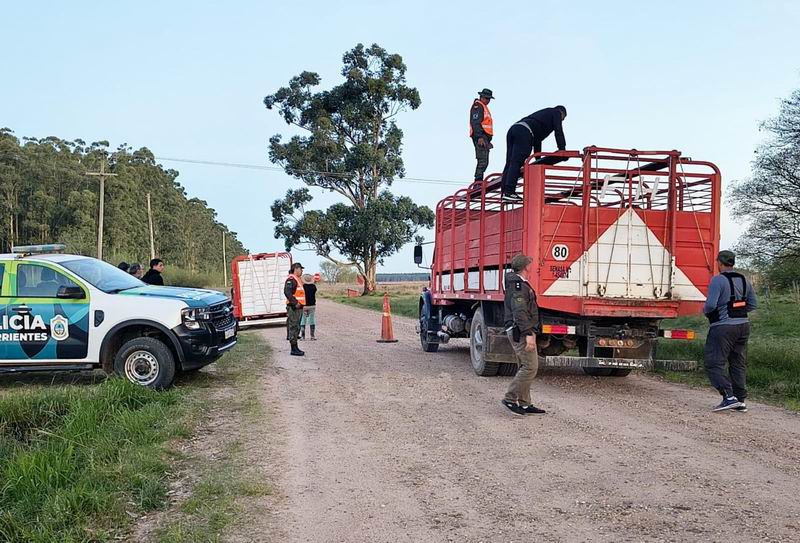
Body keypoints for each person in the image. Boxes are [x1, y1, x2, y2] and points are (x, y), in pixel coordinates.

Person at [703, 250, 758, 412]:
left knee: (713, 363)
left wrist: (705, 311)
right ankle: (740, 400)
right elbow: (753, 304)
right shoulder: (744, 280)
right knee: (738, 363)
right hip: (743, 326)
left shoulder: (717, 280)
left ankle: (728, 396)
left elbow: (711, 305)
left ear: (719, 263)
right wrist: (739, 310)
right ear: (732, 262)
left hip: (723, 327)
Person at [500, 254, 546, 416]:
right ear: (525, 267)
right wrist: (528, 333)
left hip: (520, 330)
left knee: (525, 366)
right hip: (519, 331)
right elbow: (519, 312)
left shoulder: (519, 284)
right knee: (530, 366)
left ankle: (525, 403)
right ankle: (510, 399)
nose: (532, 265)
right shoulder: (518, 286)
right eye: (530, 263)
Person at [500, 105, 567, 199]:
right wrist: (562, 150)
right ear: (562, 114)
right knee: (517, 161)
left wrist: (537, 159)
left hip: (514, 129)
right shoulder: (556, 113)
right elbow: (558, 131)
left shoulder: (542, 116)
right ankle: (509, 192)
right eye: (563, 119)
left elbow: (537, 140)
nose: (561, 121)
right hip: (524, 132)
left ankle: (504, 192)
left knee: (510, 162)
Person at [470, 88, 495, 182]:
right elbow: (475, 122)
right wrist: (479, 137)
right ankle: (478, 181)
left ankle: (479, 179)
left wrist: (488, 140)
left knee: (484, 160)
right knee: (482, 160)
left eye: (489, 99)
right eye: (487, 98)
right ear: (482, 97)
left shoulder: (483, 107)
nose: (488, 101)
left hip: (484, 137)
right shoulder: (478, 106)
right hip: (480, 136)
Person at [284, 262, 306, 356]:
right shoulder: (291, 279)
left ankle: (295, 347)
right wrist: (295, 303)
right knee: (293, 327)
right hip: (294, 308)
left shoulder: (297, 279)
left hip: (298, 307)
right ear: (296, 269)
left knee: (296, 327)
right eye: (301, 269)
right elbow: (287, 292)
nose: (302, 271)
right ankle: (293, 349)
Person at [300, 273, 318, 340]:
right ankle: (312, 336)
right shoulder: (313, 287)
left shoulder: (302, 287)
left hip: (304, 305)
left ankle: (303, 336)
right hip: (312, 305)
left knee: (303, 320)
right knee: (312, 319)